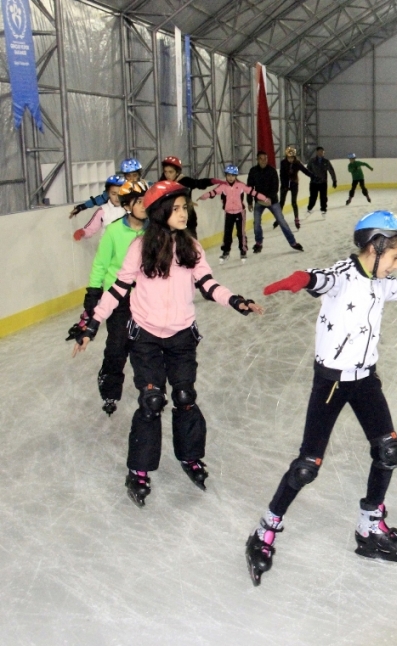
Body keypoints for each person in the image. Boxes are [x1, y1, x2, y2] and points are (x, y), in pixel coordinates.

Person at [244, 210, 397, 586]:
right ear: (375, 247)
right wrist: (302, 279)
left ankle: (370, 526)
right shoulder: (343, 277)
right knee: (307, 466)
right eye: (394, 256)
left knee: (388, 451)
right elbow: (322, 279)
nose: (396, 265)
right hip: (331, 383)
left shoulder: (382, 282)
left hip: (366, 381)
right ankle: (265, 529)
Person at [70, 180, 264, 507]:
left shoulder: (191, 247)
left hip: (182, 336)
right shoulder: (140, 247)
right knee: (151, 400)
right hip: (145, 337)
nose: (183, 213)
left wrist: (235, 301)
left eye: (184, 207)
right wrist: (91, 323)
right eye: (176, 209)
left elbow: (208, 284)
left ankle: (190, 456)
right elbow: (117, 290)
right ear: (160, 211)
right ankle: (139, 469)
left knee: (185, 397)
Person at [66, 181, 149, 416]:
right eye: (139, 202)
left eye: (146, 201)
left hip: (146, 298)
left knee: (145, 347)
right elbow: (100, 265)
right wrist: (93, 294)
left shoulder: (154, 231)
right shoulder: (113, 231)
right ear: (127, 205)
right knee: (118, 345)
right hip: (118, 298)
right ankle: (111, 389)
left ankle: (151, 389)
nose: (144, 206)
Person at [198, 165, 271, 264]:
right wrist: (203, 196)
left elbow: (253, 193)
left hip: (240, 213)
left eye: (233, 175)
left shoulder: (241, 186)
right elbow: (213, 192)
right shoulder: (223, 186)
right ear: (226, 175)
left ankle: (243, 250)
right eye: (228, 175)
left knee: (241, 233)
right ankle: (226, 251)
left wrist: (265, 198)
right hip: (228, 213)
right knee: (227, 233)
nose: (230, 177)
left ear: (236, 176)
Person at [246, 150, 303, 253]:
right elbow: (250, 187)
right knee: (256, 223)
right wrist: (249, 202)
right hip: (259, 202)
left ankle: (293, 242)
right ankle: (259, 243)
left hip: (272, 201)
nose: (263, 161)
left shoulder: (272, 171)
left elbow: (275, 187)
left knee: (281, 221)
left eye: (265, 159)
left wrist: (269, 199)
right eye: (261, 159)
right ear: (257, 160)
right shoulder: (253, 171)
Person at [159, 155, 221, 239]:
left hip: (188, 218)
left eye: (171, 172)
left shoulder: (185, 181)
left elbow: (198, 183)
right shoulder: (162, 183)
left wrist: (211, 181)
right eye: (165, 172)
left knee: (191, 244)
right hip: (171, 220)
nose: (167, 175)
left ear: (177, 172)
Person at [69, 158, 144, 218]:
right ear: (124, 176)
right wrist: (81, 207)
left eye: (134, 175)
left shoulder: (145, 187)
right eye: (128, 176)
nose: (131, 179)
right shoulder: (119, 189)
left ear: (139, 175)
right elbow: (99, 199)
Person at [72, 175, 127, 240]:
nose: (117, 198)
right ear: (108, 193)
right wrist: (82, 232)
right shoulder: (103, 210)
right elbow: (91, 229)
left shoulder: (131, 208)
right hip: (107, 246)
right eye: (113, 194)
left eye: (120, 194)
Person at [279, 146, 314, 230]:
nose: (290, 159)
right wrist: (285, 185)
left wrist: (313, 176)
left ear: (294, 157)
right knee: (281, 202)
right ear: (286, 157)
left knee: (294, 202)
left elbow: (305, 171)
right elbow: (282, 175)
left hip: (294, 183)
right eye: (289, 158)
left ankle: (296, 219)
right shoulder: (283, 163)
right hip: (285, 184)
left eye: (292, 158)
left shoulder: (297, 163)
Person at [306, 146, 337, 215]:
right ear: (317, 152)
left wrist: (334, 180)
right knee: (313, 197)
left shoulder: (326, 161)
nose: (321, 153)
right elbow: (308, 170)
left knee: (323, 197)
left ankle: (323, 209)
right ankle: (309, 208)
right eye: (320, 151)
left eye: (322, 152)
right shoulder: (312, 161)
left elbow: (331, 171)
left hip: (323, 182)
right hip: (314, 182)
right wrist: (313, 176)